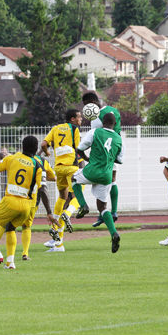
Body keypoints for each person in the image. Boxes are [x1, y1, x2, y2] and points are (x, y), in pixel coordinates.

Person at [0, 155, 59, 261]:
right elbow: (52, 177)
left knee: (3, 224)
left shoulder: (17, 158)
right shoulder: (42, 162)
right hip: (32, 200)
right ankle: (25, 254)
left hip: (15, 197)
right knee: (26, 226)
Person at [0, 135, 43, 270]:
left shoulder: (12, 158)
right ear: (36, 149)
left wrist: (0, 159)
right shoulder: (38, 165)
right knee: (11, 228)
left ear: (22, 146)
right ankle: (10, 263)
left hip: (11, 200)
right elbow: (42, 189)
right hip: (27, 206)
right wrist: (49, 213)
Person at [72, 113, 124, 253]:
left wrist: (87, 158)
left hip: (92, 170)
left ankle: (83, 206)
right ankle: (114, 233)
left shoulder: (95, 131)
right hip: (107, 175)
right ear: (114, 124)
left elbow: (80, 149)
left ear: (102, 122)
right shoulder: (119, 138)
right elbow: (119, 160)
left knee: (74, 180)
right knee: (102, 207)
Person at [40, 108, 82, 252]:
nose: (80, 119)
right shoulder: (74, 129)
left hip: (58, 168)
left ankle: (58, 243)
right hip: (72, 167)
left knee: (62, 197)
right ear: (72, 119)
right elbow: (78, 149)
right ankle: (68, 213)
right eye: (79, 117)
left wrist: (47, 153)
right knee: (78, 197)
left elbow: (43, 145)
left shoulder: (56, 128)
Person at [81, 92, 122, 228]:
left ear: (92, 101)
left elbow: (95, 137)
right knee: (111, 180)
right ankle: (113, 212)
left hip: (101, 155)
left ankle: (104, 213)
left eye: (86, 104)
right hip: (113, 149)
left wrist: (87, 157)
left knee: (101, 182)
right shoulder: (113, 111)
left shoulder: (98, 117)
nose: (86, 108)